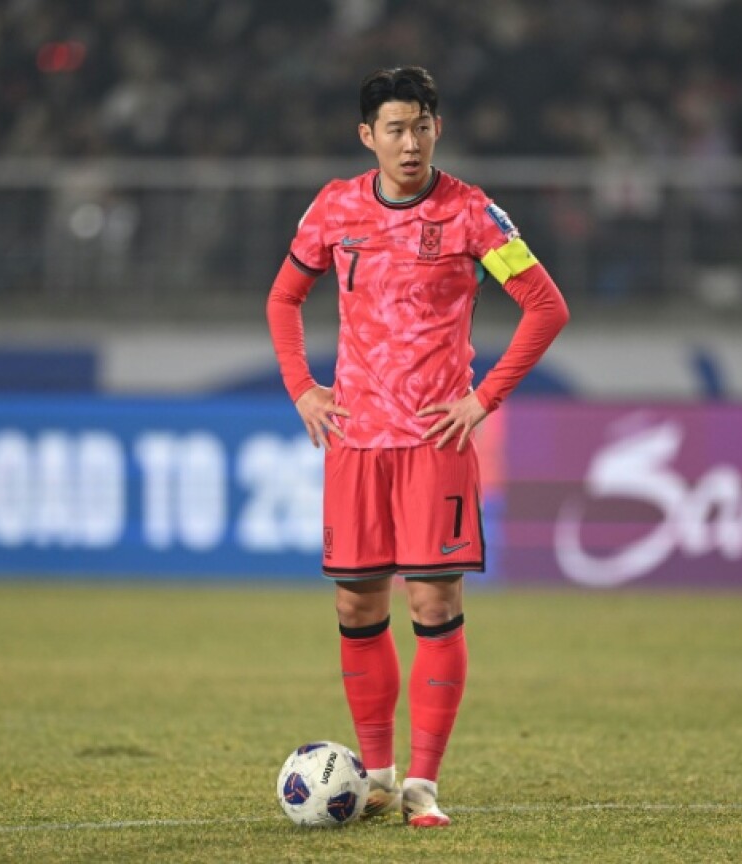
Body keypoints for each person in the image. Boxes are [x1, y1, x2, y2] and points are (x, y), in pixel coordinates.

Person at [266, 67, 569, 827]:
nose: (410, 142)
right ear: (367, 136)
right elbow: (283, 297)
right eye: (395, 129)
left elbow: (545, 306)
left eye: (422, 125)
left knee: (433, 600)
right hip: (356, 441)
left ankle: (422, 786)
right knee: (356, 602)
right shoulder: (335, 208)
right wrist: (303, 386)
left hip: (435, 440)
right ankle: (373, 775)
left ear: (439, 128)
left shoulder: (471, 214)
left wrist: (482, 397)